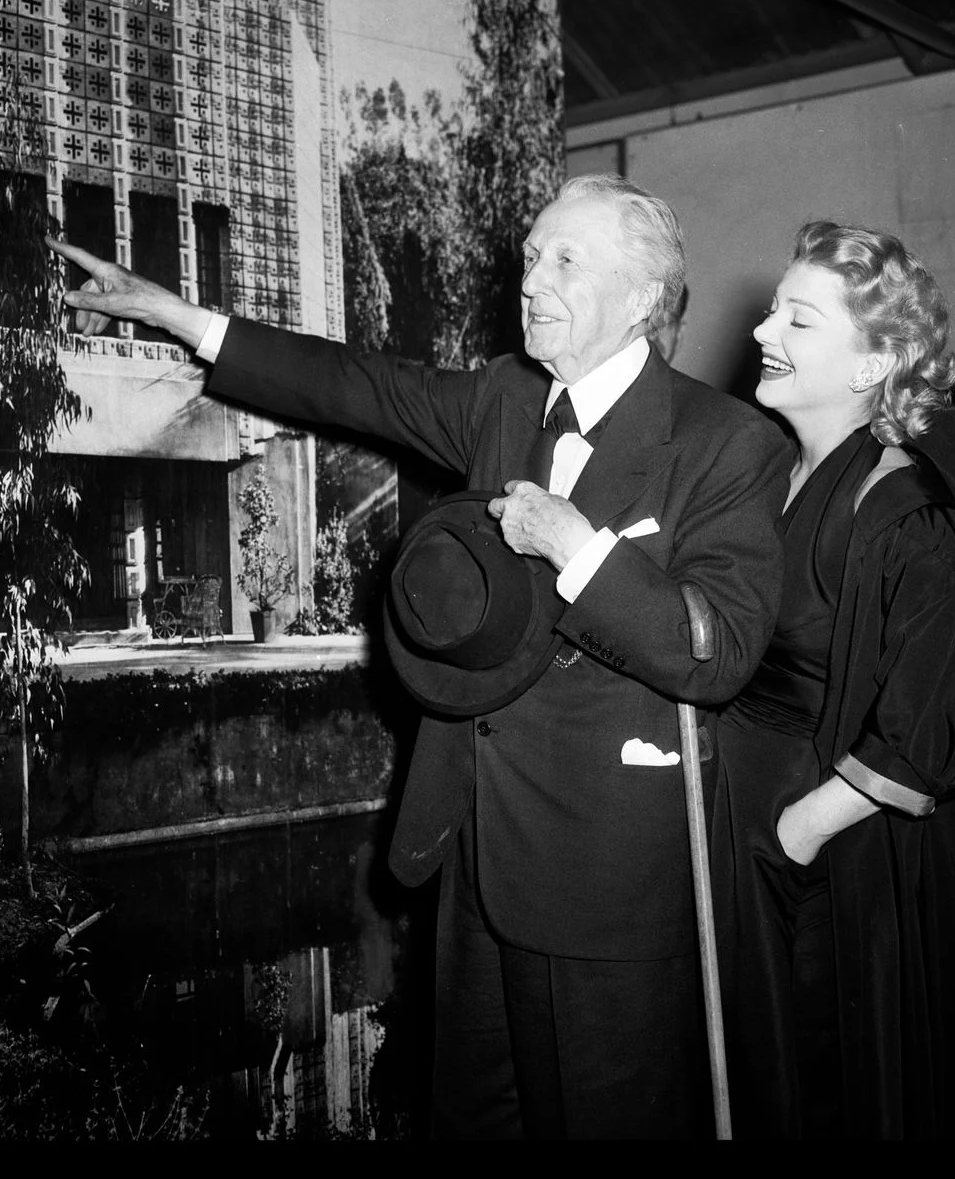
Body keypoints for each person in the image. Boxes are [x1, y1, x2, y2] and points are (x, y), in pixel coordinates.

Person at [48, 173, 790, 1138]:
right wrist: (178, 316)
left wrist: (577, 548)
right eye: (531, 256)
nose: (533, 278)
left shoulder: (727, 442)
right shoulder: (502, 399)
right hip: (477, 859)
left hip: (607, 886)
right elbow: (356, 384)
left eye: (566, 258)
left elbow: (719, 650)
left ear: (647, 296)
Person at [709, 220, 955, 1141]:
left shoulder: (908, 506)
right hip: (764, 854)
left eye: (799, 320)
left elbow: (930, 722)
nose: (762, 332)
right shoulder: (777, 471)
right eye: (774, 309)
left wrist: (797, 834)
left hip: (849, 872)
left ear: (872, 365)